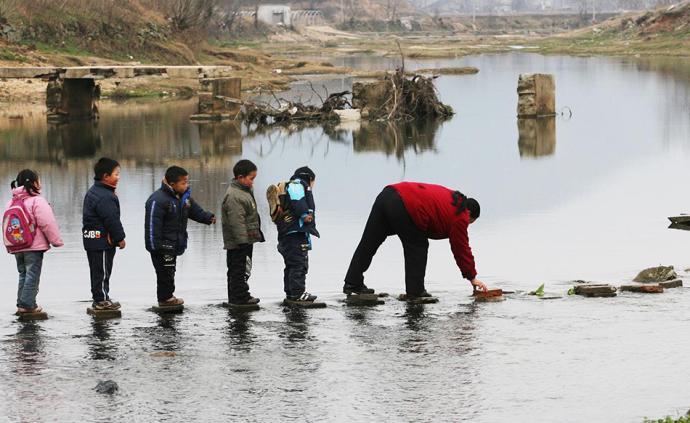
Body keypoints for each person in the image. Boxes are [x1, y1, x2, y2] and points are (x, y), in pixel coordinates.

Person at [343, 182, 487, 298]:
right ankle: (416, 292)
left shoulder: (453, 198)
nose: (467, 225)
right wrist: (472, 277)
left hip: (388, 194)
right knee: (418, 245)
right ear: (470, 215)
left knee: (369, 242)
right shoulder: (461, 215)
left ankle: (352, 282)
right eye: (470, 222)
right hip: (406, 204)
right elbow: (461, 248)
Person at [144, 166, 215, 306]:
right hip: (161, 246)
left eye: (187, 182)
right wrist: (155, 247)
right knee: (164, 274)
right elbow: (152, 227)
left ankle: (168, 297)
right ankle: (165, 299)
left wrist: (207, 217)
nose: (186, 185)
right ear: (172, 184)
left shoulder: (183, 198)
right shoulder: (157, 200)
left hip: (174, 244)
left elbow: (195, 211)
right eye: (183, 183)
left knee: (170, 272)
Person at [3, 169, 63, 314]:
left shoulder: (10, 202)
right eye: (39, 180)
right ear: (34, 183)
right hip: (33, 247)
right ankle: (28, 305)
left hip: (16, 246)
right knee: (32, 275)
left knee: (23, 274)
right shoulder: (37, 201)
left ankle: (21, 304)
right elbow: (47, 223)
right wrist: (56, 241)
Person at [270, 166, 320, 303]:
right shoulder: (298, 184)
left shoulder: (291, 186)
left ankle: (291, 293)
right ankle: (298, 293)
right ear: (309, 178)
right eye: (314, 182)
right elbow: (298, 200)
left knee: (291, 265)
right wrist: (305, 214)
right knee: (299, 264)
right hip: (295, 235)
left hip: (289, 234)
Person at [82, 158, 126, 311]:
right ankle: (100, 300)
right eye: (116, 174)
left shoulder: (95, 191)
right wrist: (120, 238)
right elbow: (111, 220)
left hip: (93, 239)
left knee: (99, 271)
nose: (118, 177)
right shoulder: (105, 196)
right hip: (101, 241)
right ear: (106, 176)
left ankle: (103, 297)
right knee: (102, 271)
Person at [222, 160, 264, 306]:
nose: (253, 182)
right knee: (238, 270)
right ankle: (239, 298)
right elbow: (236, 221)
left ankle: (239, 295)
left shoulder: (244, 192)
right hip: (239, 242)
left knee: (243, 269)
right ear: (240, 177)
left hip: (246, 239)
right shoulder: (234, 196)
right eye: (251, 179)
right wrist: (242, 241)